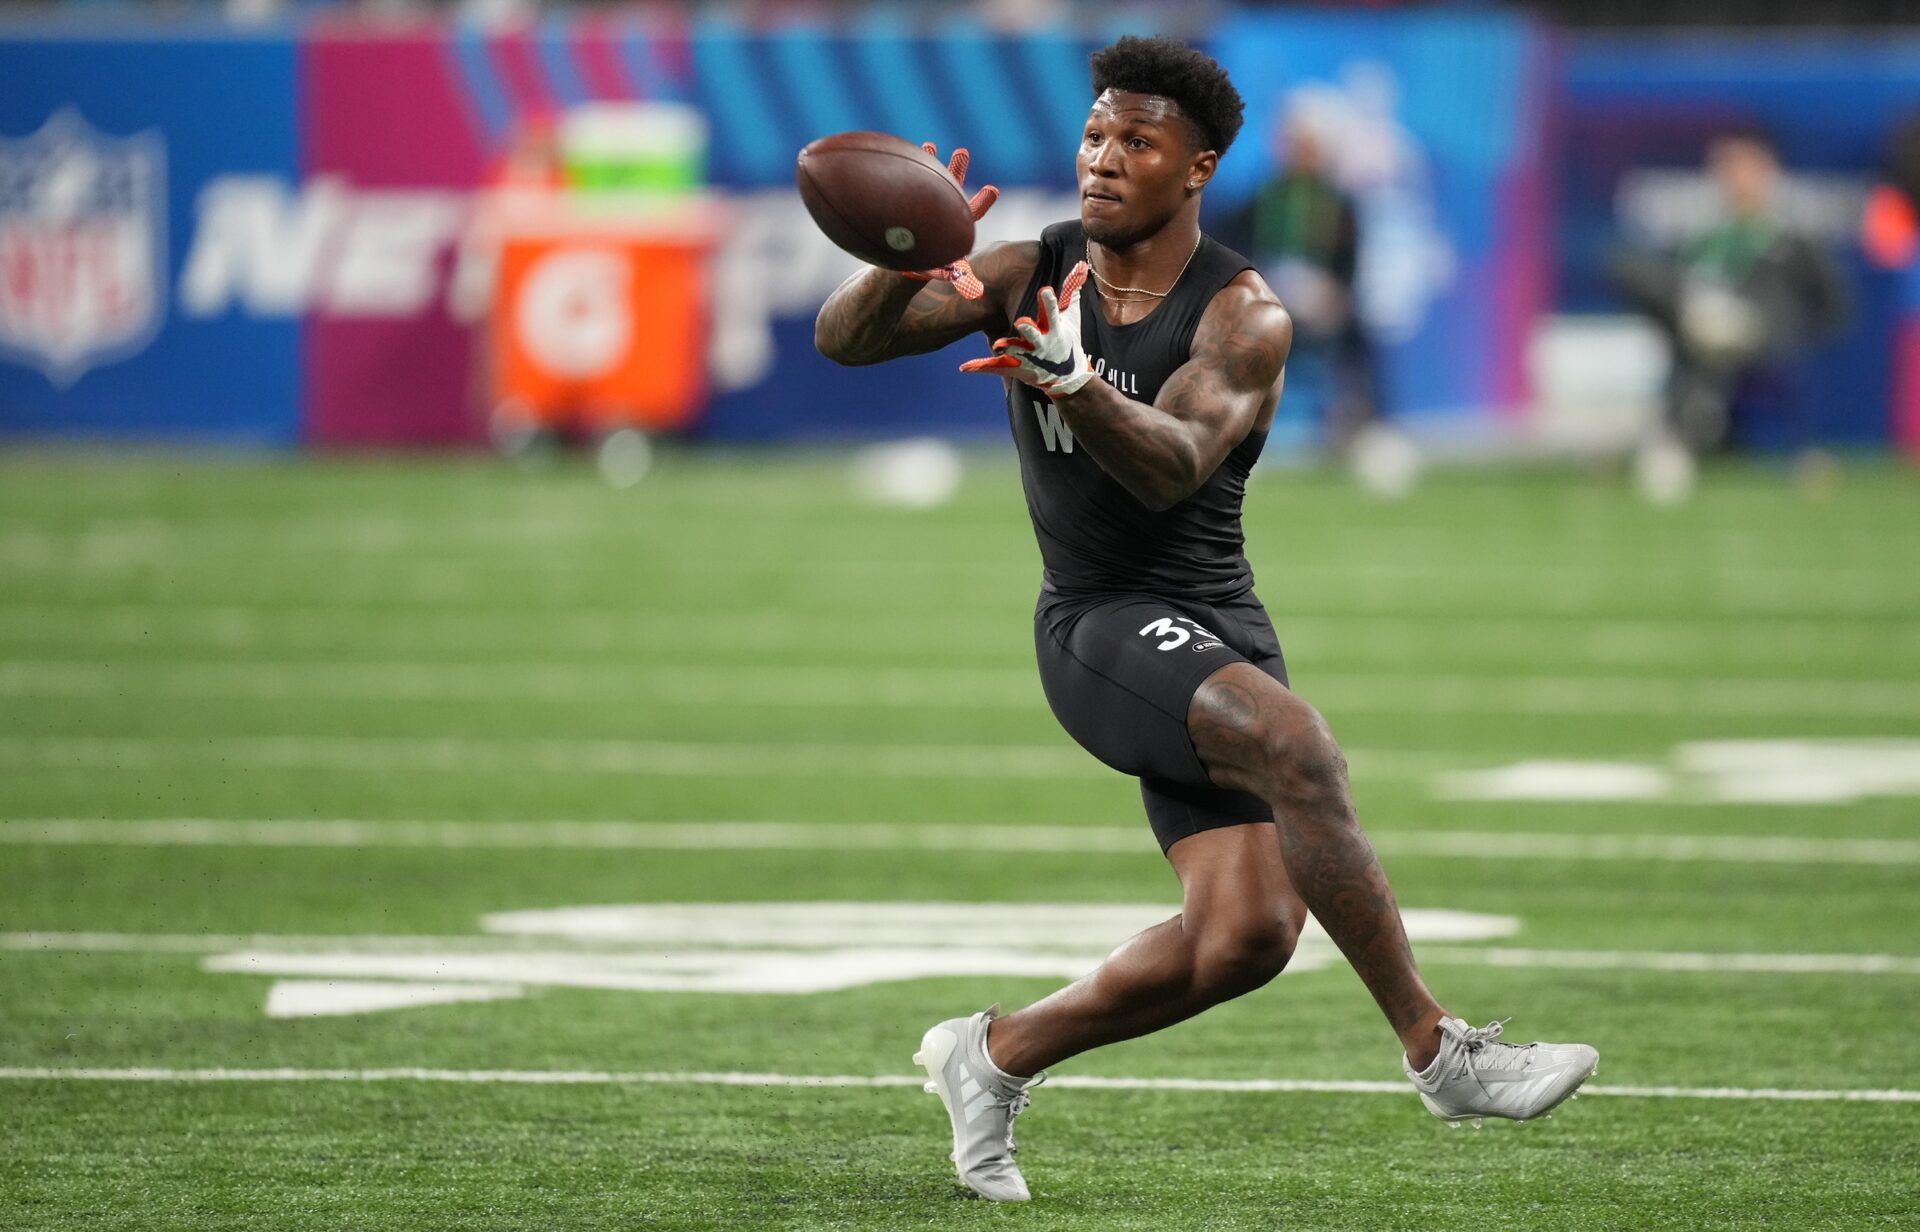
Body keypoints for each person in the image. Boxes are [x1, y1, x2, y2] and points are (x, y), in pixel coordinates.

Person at [814, 35, 1597, 1203]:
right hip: (1095, 622)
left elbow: (1175, 462)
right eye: (1094, 133)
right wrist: (905, 251)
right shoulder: (1030, 266)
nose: (1103, 157)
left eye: (1138, 140)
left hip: (1215, 618)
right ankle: (1440, 1050)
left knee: (1244, 938)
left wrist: (1077, 382)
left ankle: (992, 1054)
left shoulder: (1246, 313)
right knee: (1298, 745)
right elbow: (849, 338)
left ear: (1200, 166)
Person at [1611, 128, 1849, 498]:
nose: (1735, 179)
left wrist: (1794, 335)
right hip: (1697, 334)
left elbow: (1833, 305)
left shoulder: (1791, 240)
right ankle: (1680, 437)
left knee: (1718, 342)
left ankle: (1681, 440)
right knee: (1671, 303)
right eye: (1727, 168)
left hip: (1766, 339)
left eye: (1744, 168)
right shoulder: (1701, 239)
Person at [1218, 98, 1379, 448]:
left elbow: (1348, 267)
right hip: (1268, 297)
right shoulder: (1264, 197)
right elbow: (1229, 250)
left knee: (1361, 336)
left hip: (1322, 302)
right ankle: (1230, 431)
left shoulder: (1338, 204)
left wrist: (1335, 296)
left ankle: (1367, 427)